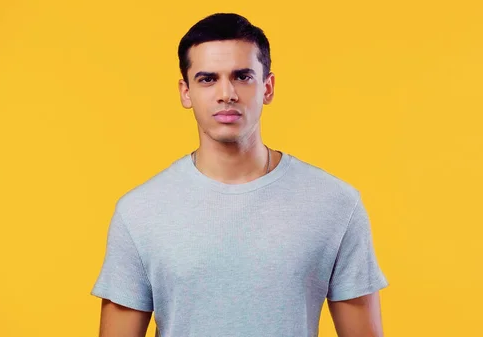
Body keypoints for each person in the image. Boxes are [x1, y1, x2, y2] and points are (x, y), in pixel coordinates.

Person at [91, 12, 388, 337]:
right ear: (186, 92)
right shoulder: (139, 212)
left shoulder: (335, 204)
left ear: (268, 87)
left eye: (242, 76)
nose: (226, 93)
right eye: (207, 79)